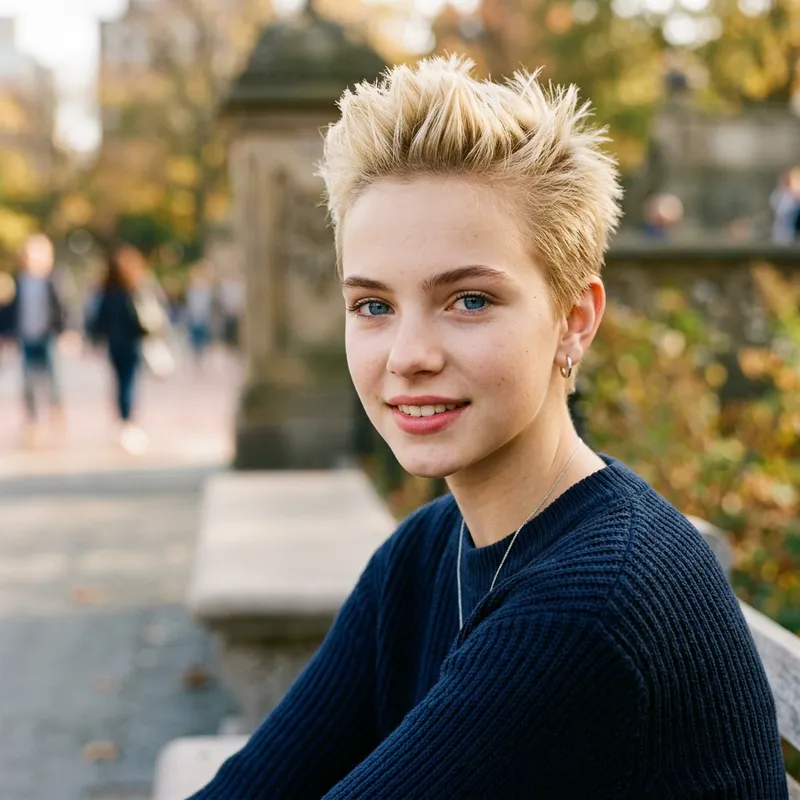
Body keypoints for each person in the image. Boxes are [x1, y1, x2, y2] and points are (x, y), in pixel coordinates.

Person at [193, 57, 787, 798]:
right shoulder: (428, 552)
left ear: (575, 320)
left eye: (468, 300)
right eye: (373, 306)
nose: (409, 357)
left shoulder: (589, 613)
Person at [88, 244, 154, 455]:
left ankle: (124, 421)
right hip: (128, 344)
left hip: (117, 344)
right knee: (127, 383)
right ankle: (126, 421)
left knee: (121, 383)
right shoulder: (131, 290)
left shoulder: (110, 291)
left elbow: (99, 320)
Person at [0, 234, 66, 444]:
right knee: (28, 381)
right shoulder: (19, 280)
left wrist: (65, 331)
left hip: (47, 336)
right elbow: (10, 310)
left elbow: (62, 307)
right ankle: (32, 421)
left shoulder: (54, 279)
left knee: (51, 379)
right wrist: (6, 333)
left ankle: (56, 411)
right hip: (26, 336)